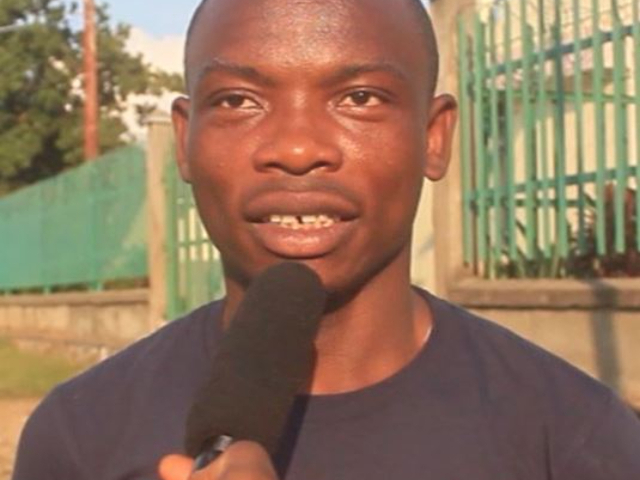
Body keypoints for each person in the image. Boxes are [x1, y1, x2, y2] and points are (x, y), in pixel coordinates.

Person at [12, 0, 640, 479]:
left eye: (359, 97)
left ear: (435, 136)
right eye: (238, 100)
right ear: (184, 141)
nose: (297, 149)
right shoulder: (78, 438)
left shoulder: (576, 439)